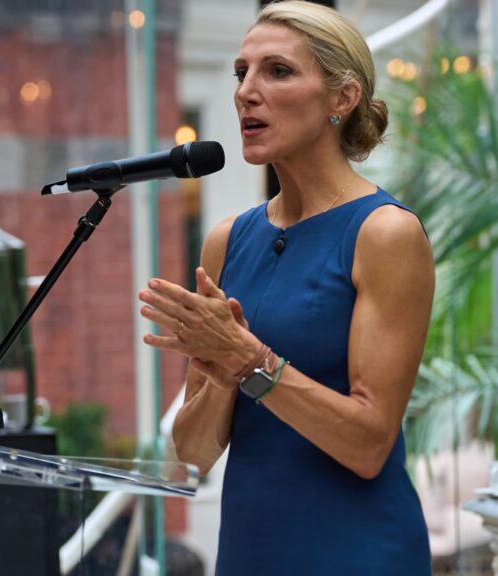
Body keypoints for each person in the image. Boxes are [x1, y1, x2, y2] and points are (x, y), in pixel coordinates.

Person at [138, 1, 435, 573]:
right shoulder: (227, 240)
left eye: (277, 71)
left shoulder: (384, 233)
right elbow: (195, 454)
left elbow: (369, 445)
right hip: (251, 550)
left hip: (359, 552)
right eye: (241, 72)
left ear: (342, 98)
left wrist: (249, 360)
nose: (247, 92)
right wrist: (223, 370)